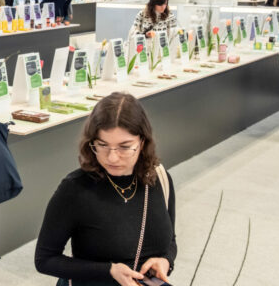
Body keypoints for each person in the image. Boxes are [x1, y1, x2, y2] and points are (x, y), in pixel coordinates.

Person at [35, 92, 176, 286]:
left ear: (142, 142)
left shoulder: (159, 178)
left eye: (124, 147)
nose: (112, 157)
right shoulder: (75, 189)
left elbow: (170, 240)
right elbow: (45, 259)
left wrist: (166, 260)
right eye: (102, 145)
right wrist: (109, 270)